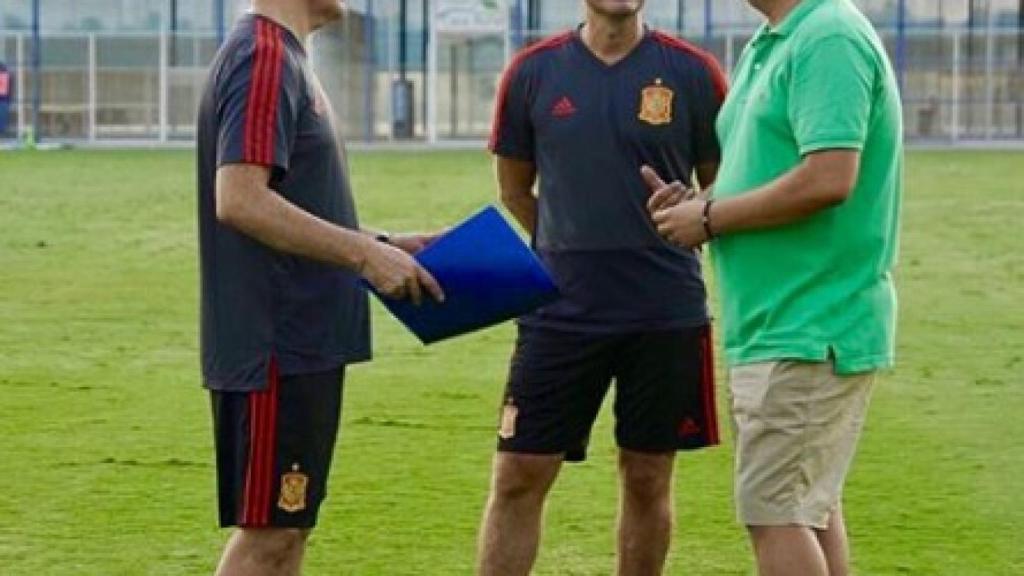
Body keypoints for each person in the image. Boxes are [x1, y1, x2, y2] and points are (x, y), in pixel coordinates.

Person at [644, 0, 903, 574]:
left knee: (776, 513)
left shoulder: (828, 36)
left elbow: (829, 177)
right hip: (777, 322)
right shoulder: (777, 40)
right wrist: (703, 206)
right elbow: (775, 171)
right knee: (807, 509)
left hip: (809, 321)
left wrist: (711, 220)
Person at [478, 1, 728, 574]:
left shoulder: (694, 72)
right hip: (560, 311)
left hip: (665, 312)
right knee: (518, 475)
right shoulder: (531, 72)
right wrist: (573, 246)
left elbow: (722, 192)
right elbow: (516, 190)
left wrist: (696, 210)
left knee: (647, 476)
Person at [196, 1, 444, 574]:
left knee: (289, 530)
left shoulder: (285, 57)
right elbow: (240, 198)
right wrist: (362, 255)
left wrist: (388, 242)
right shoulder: (263, 56)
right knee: (270, 536)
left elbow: (294, 200)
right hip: (275, 342)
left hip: (301, 342)